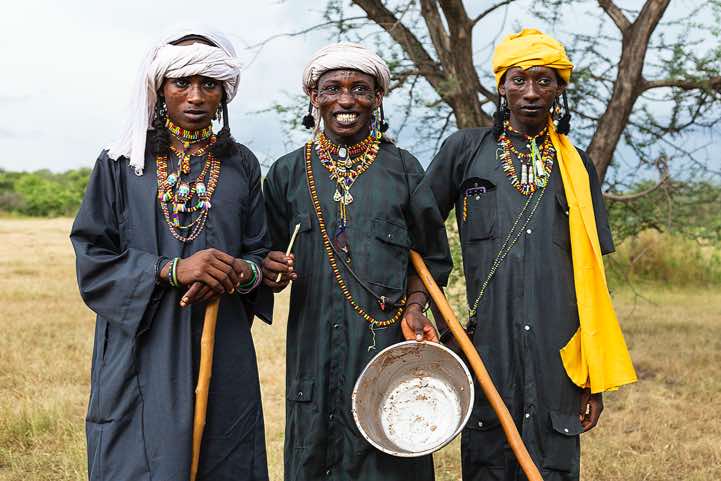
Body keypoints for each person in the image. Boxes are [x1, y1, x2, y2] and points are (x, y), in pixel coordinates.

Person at [422, 29, 637, 481]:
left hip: (557, 352)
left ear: (560, 87)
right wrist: (424, 307)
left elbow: (592, 281)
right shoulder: (466, 151)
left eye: (544, 80)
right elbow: (419, 229)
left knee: (552, 465)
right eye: (519, 80)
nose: (532, 93)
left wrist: (592, 377)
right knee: (486, 458)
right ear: (501, 86)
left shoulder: (577, 166)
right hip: (484, 347)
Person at [71, 26, 271, 481]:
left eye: (209, 83)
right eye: (182, 82)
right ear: (160, 88)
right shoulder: (121, 161)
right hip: (141, 338)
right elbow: (92, 253)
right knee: (138, 456)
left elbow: (259, 252)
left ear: (225, 92)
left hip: (221, 338)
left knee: (224, 453)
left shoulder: (242, 164)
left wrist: (243, 271)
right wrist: (172, 269)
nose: (196, 96)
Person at [260, 42, 450, 481]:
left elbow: (432, 257)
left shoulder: (404, 169)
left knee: (390, 446)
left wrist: (417, 305)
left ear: (377, 98)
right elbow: (264, 255)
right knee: (313, 450)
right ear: (315, 97)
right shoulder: (288, 172)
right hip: (312, 347)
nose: (346, 100)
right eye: (332, 89)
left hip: (386, 342)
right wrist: (270, 271)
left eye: (360, 88)